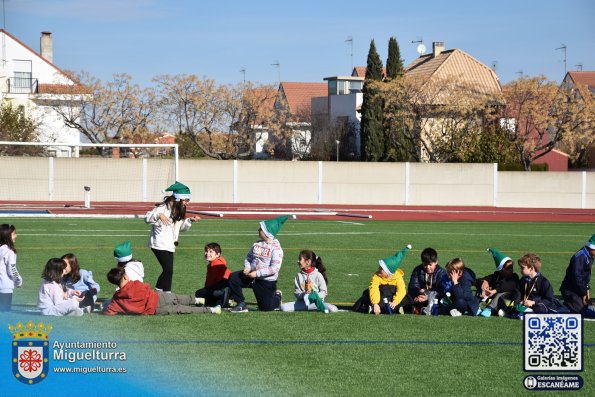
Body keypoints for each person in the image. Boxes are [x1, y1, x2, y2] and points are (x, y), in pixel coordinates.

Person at [145, 181, 200, 292]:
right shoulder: (163, 207)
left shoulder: (179, 209)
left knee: (169, 271)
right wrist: (159, 215)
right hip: (159, 244)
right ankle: (157, 293)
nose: (188, 203)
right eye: (187, 200)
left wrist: (189, 220)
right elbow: (147, 218)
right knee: (168, 270)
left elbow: (180, 228)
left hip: (170, 244)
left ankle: (167, 293)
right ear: (180, 198)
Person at [103, 266, 220, 315]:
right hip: (158, 297)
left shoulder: (117, 299)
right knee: (178, 298)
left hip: (154, 310)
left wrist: (103, 309)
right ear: (125, 277)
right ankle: (199, 300)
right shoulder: (135, 284)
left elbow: (110, 311)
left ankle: (211, 310)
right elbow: (146, 287)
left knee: (180, 309)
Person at [229, 216, 288, 313]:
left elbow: (274, 268)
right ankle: (241, 304)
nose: (258, 230)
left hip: (265, 282)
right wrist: (247, 267)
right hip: (251, 276)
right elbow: (249, 257)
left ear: (266, 232)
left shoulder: (276, 248)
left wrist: (257, 273)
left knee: (266, 308)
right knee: (233, 278)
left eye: (261, 229)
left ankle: (277, 296)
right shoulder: (256, 244)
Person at [353, 245, 412, 315]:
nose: (378, 270)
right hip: (380, 299)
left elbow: (401, 290)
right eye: (379, 267)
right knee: (367, 293)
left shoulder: (398, 277)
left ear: (388, 272)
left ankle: (396, 307)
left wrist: (395, 302)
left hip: (392, 301)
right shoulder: (377, 276)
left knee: (406, 297)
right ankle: (379, 308)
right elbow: (373, 288)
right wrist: (375, 303)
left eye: (381, 269)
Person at [475, 248, 520, 317]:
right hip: (493, 300)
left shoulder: (514, 276)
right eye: (508, 268)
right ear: (500, 269)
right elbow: (477, 281)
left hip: (506, 301)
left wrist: (494, 291)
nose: (511, 269)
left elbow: (508, 286)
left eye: (511, 267)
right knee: (481, 289)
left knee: (500, 293)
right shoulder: (496, 275)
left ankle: (489, 309)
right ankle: (476, 307)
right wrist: (484, 282)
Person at [560, 234, 595, 314]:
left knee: (586, 306)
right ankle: (560, 306)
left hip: (578, 288)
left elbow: (586, 277)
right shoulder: (580, 257)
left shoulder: (589, 256)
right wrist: (583, 293)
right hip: (570, 290)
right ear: (591, 247)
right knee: (579, 311)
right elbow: (577, 277)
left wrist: (587, 292)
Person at [407, 247, 446, 315]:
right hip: (420, 298)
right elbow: (412, 286)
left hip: (434, 298)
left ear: (436, 262)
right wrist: (417, 296)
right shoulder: (417, 270)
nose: (427, 267)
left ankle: (420, 309)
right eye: (425, 264)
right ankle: (417, 308)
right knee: (406, 298)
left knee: (442, 300)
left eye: (430, 265)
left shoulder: (441, 272)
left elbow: (440, 290)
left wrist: (427, 296)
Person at [513, 253, 554, 317]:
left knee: (539, 308)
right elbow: (517, 292)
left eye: (522, 268)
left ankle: (525, 314)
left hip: (536, 306)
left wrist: (533, 302)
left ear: (531, 268)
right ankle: (523, 313)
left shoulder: (543, 282)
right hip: (524, 305)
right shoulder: (523, 280)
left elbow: (549, 300)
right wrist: (520, 301)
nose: (520, 270)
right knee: (509, 301)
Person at [195, 242, 231, 307]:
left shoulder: (216, 263)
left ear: (217, 254)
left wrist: (206, 290)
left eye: (211, 252)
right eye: (206, 251)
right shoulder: (214, 263)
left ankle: (224, 298)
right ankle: (222, 299)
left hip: (222, 287)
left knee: (199, 293)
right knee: (203, 294)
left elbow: (211, 282)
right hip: (221, 286)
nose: (207, 253)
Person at [0, 224, 22, 312]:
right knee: (4, 314)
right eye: (14, 234)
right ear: (7, 236)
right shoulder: (9, 252)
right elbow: (12, 270)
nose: (16, 236)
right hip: (4, 288)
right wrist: (19, 281)